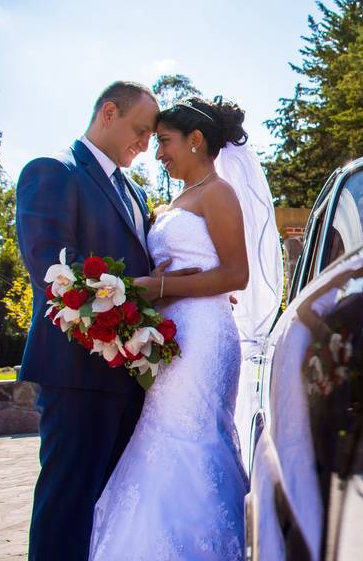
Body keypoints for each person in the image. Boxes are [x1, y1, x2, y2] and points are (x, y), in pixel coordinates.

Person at [15, 81, 198, 560]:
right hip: (75, 373)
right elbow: (55, 272)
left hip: (130, 374)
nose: (145, 143)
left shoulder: (135, 194)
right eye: (140, 131)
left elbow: (137, 270)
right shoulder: (54, 172)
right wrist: (148, 290)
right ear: (108, 113)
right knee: (68, 504)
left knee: (112, 510)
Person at [88, 96, 276, 560]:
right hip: (172, 334)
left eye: (166, 142)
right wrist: (157, 294)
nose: (159, 154)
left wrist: (158, 286)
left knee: (191, 437)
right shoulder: (175, 200)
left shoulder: (219, 193)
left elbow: (237, 275)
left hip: (205, 338)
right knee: (160, 434)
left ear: (196, 141)